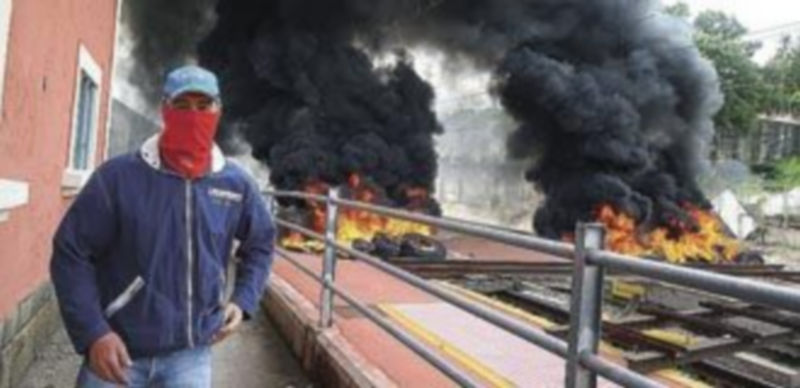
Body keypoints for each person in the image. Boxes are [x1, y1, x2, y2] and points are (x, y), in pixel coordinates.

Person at [50, 65, 275, 387]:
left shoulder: (236, 184)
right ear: (164, 110)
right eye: (182, 106)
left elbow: (261, 243)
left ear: (219, 110)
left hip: (192, 356)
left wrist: (243, 300)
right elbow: (71, 252)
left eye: (203, 105)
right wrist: (93, 333)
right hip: (116, 351)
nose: (193, 115)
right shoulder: (117, 178)